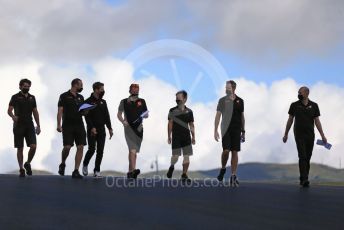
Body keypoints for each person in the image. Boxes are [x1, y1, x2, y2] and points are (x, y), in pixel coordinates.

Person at [283, 86, 327, 188]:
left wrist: (323, 135)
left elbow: (317, 121)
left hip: (310, 134)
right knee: (302, 155)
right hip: (299, 134)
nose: (299, 94)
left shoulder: (314, 105)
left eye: (300, 92)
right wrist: (286, 134)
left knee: (308, 156)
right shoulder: (294, 105)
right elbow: (290, 120)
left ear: (307, 93)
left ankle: (303, 177)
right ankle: (304, 179)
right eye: (298, 92)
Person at [7, 79, 41, 177]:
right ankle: (21, 168)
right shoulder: (15, 97)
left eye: (28, 86)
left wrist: (38, 125)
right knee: (20, 148)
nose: (26, 88)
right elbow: (9, 110)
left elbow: (35, 111)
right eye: (25, 86)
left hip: (30, 125)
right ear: (20, 86)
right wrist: (13, 116)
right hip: (18, 125)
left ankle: (27, 163)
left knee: (33, 146)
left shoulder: (32, 97)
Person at [214, 80, 245, 187]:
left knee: (235, 152)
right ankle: (223, 168)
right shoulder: (222, 100)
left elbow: (242, 117)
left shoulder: (240, 101)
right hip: (225, 129)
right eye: (225, 87)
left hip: (237, 129)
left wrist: (243, 131)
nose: (226, 89)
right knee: (226, 150)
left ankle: (233, 175)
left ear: (233, 88)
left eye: (228, 87)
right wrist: (215, 129)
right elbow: (218, 115)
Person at [57, 78, 86, 179]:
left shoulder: (81, 97)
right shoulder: (64, 96)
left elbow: (83, 111)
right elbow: (60, 110)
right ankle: (63, 163)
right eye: (80, 85)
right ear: (75, 85)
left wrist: (87, 110)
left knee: (80, 146)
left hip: (79, 125)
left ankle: (76, 170)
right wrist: (58, 124)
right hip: (67, 125)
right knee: (67, 147)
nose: (82, 87)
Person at [117, 83, 148, 179]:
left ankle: (130, 172)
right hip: (128, 128)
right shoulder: (124, 101)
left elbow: (146, 114)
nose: (136, 91)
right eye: (134, 89)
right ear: (130, 91)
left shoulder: (142, 101)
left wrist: (143, 115)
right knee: (132, 149)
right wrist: (123, 122)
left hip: (139, 128)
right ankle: (133, 170)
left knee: (134, 151)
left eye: (137, 89)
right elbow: (119, 114)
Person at [82, 82, 113, 178]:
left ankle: (97, 170)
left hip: (101, 129)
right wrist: (92, 127)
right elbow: (87, 117)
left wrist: (110, 128)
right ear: (96, 89)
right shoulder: (87, 101)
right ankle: (85, 164)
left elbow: (106, 116)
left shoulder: (103, 102)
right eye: (101, 89)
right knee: (92, 149)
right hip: (92, 129)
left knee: (100, 150)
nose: (103, 91)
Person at [167, 90, 195, 183]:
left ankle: (184, 174)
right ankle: (172, 166)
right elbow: (170, 123)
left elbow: (191, 124)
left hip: (186, 137)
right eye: (176, 99)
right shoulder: (172, 110)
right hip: (176, 137)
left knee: (186, 156)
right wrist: (169, 136)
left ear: (185, 99)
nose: (177, 100)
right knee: (175, 156)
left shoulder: (189, 111)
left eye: (179, 98)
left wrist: (193, 136)